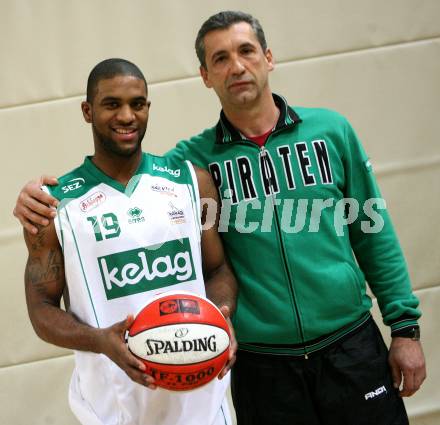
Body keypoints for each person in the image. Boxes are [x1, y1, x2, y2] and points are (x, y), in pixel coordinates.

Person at [14, 11, 426, 425]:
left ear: (268, 57)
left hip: (349, 342)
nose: (237, 66)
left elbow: (374, 235)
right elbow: (126, 175)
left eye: (246, 51)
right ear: (205, 76)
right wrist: (34, 197)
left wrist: (405, 328)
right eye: (220, 59)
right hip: (263, 363)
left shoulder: (332, 131)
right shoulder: (190, 167)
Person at [21, 58, 237, 425]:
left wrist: (223, 317)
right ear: (87, 111)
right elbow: (41, 308)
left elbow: (217, 270)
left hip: (202, 404)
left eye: (137, 104)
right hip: (114, 409)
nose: (126, 116)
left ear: (148, 107)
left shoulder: (191, 182)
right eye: (112, 104)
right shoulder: (54, 205)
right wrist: (100, 340)